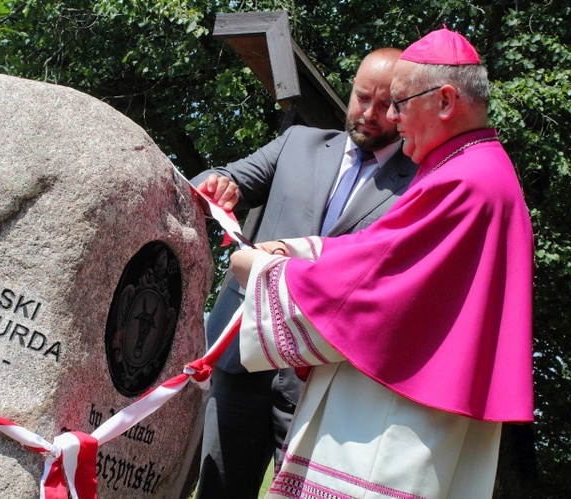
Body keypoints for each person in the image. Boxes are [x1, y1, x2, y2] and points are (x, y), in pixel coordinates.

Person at [229, 27, 534, 498]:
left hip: (397, 424)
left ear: (446, 101)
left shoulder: (466, 181)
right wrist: (299, 251)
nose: (392, 118)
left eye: (400, 103)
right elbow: (380, 251)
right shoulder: (470, 169)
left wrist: (268, 274)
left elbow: (377, 288)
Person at [191, 48, 417, 499]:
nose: (368, 114)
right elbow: (217, 179)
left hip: (322, 378)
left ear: (405, 109)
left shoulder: (420, 183)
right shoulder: (299, 143)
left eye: (384, 105)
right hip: (240, 354)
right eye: (360, 97)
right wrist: (218, 185)